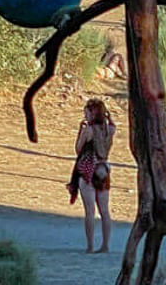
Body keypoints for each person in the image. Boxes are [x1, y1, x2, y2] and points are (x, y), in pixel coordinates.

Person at [68, 99, 116, 253]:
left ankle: (90, 246)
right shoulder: (110, 129)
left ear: (92, 113)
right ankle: (106, 245)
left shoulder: (88, 130)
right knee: (105, 211)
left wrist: (80, 132)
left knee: (90, 211)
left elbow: (78, 149)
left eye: (87, 112)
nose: (85, 115)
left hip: (88, 170)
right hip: (103, 169)